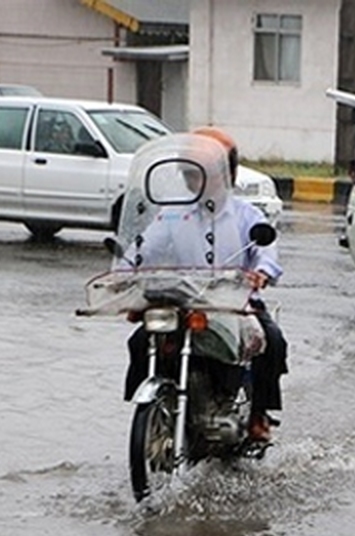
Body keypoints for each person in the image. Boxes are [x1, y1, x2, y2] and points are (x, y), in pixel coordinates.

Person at [123, 127, 288, 443]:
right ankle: (151, 408)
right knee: (139, 341)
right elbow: (145, 247)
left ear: (224, 175)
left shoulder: (246, 215)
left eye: (200, 174)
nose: (192, 181)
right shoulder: (172, 215)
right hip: (183, 300)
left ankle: (258, 416)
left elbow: (266, 253)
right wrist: (126, 267)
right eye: (188, 174)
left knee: (273, 341)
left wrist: (261, 273)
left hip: (234, 303)